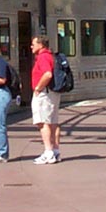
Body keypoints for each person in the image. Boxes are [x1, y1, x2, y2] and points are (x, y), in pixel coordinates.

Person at [30, 35, 62, 164]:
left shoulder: (43, 57)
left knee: (43, 122)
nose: (31, 46)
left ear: (41, 45)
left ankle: (48, 152)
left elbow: (47, 74)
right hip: (53, 93)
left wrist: (38, 88)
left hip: (44, 93)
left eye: (33, 44)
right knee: (53, 122)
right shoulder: (51, 55)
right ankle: (55, 151)